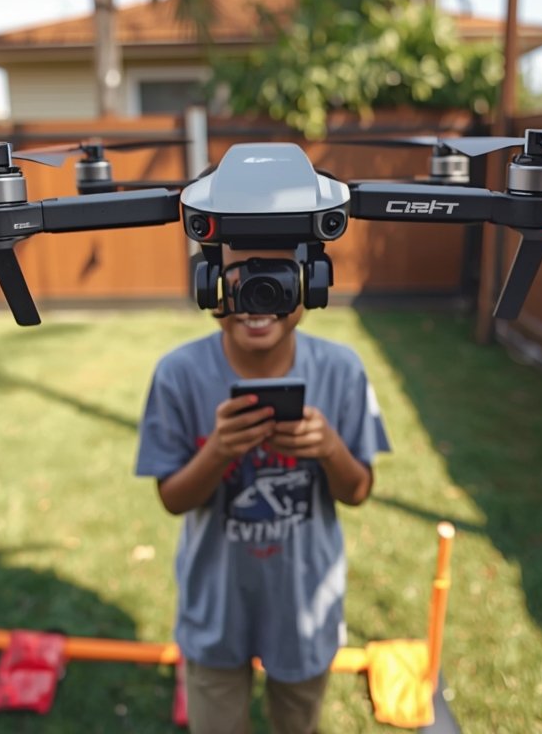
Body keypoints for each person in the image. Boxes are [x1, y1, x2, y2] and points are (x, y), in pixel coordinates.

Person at [135, 245, 390, 734]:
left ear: (309, 285)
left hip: (304, 605)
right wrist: (218, 452)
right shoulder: (179, 374)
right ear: (210, 285)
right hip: (216, 604)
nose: (259, 297)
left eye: (277, 277)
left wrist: (331, 448)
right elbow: (172, 499)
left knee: (298, 721)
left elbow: (358, 491)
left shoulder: (340, 370)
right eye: (241, 276)